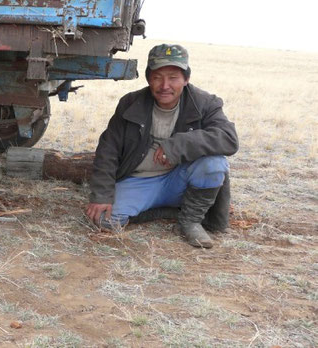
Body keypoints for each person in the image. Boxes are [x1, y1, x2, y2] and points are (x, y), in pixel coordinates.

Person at [85, 44, 238, 248]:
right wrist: (102, 195)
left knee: (214, 164)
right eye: (157, 77)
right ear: (149, 79)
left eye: (173, 77)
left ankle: (190, 221)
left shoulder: (205, 103)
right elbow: (108, 149)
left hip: (180, 180)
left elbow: (229, 138)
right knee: (104, 221)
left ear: (186, 79)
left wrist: (177, 145)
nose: (165, 85)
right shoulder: (130, 103)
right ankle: (171, 213)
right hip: (141, 180)